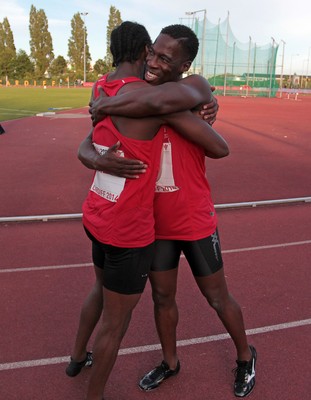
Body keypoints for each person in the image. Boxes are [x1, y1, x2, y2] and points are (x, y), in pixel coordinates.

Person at [79, 24, 257, 398]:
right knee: (162, 298)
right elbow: (93, 137)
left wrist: (108, 104)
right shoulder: (138, 96)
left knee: (216, 297)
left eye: (165, 58)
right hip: (154, 222)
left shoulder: (190, 91)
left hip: (193, 217)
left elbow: (218, 146)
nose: (153, 62)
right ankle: (170, 361)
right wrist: (97, 152)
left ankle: (245, 355)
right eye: (153, 53)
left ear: (184, 64)